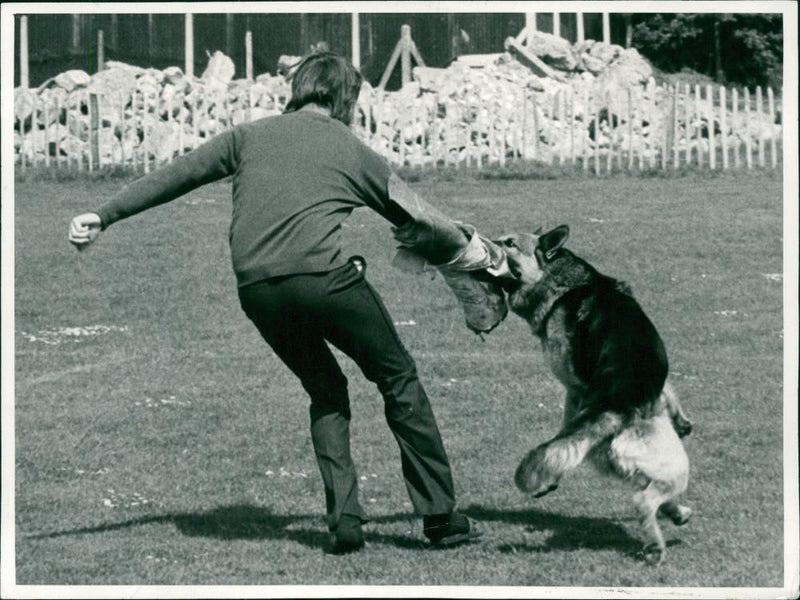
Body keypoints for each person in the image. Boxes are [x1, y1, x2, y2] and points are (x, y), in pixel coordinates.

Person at [68, 51, 480, 554]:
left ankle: (345, 520)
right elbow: (420, 216)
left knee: (326, 388)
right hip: (327, 282)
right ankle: (440, 518)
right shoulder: (352, 149)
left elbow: (177, 175)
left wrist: (103, 214)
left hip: (258, 291)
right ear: (347, 98)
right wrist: (475, 251)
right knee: (397, 377)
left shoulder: (247, 136)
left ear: (298, 90)